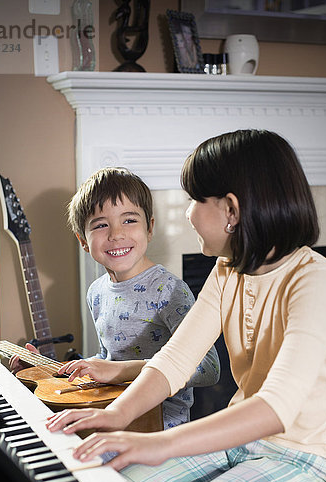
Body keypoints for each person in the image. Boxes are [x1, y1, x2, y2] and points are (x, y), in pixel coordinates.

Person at [46, 129, 326, 482]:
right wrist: (117, 415)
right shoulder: (229, 271)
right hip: (233, 444)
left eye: (193, 199)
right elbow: (176, 358)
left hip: (301, 465)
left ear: (230, 209)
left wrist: (162, 444)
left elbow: (274, 408)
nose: (186, 214)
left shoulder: (316, 280)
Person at [12, 167, 220, 429]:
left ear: (149, 228)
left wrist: (122, 371)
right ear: (83, 241)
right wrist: (44, 371)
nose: (116, 234)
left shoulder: (169, 291)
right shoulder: (96, 293)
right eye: (100, 225)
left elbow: (209, 369)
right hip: (109, 411)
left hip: (159, 425)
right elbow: (107, 359)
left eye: (129, 220)